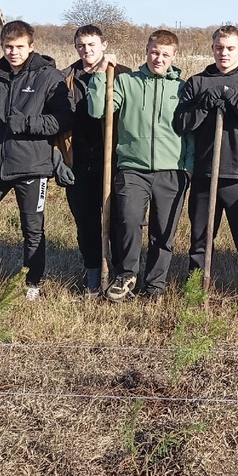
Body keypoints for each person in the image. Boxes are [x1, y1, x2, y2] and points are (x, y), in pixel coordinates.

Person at [0, 20, 71, 301]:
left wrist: (27, 123)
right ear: (2, 46)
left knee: (32, 229)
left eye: (19, 47)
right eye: (8, 46)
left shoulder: (48, 76)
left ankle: (32, 285)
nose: (13, 52)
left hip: (32, 165)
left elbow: (64, 119)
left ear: (31, 47)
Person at [87, 30, 194, 302]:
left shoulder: (183, 89)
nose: (159, 59)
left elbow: (191, 133)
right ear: (146, 51)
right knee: (128, 220)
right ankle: (126, 275)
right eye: (154, 52)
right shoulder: (125, 82)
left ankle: (155, 286)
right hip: (132, 168)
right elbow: (98, 110)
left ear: (174, 57)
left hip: (172, 170)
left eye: (165, 55)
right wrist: (101, 74)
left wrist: (188, 167)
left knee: (163, 231)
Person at [174, 25, 238, 311]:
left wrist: (231, 96)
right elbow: (182, 123)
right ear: (212, 48)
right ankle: (197, 286)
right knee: (201, 237)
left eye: (230, 48)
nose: (224, 53)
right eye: (219, 47)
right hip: (205, 173)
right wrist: (204, 104)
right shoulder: (198, 82)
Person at [54, 25, 130, 295]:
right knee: (86, 222)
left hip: (114, 161)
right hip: (78, 160)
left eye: (92, 45)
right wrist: (57, 159)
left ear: (104, 45)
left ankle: (122, 276)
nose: (87, 50)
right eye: (81, 45)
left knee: (120, 221)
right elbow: (56, 124)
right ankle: (94, 277)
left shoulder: (122, 75)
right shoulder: (65, 79)